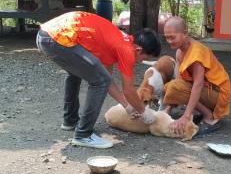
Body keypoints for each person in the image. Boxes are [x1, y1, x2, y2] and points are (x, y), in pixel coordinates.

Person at [36, 11, 161, 149]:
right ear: (138, 49)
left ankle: (70, 121)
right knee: (98, 82)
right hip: (59, 38)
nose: (140, 62)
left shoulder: (116, 40)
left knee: (77, 74)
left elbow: (107, 81)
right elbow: (129, 90)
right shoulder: (126, 50)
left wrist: (128, 106)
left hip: (46, 35)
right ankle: (83, 134)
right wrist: (144, 112)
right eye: (144, 58)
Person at [162, 16, 231, 137]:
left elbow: (198, 84)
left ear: (184, 34)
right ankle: (203, 112)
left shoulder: (197, 52)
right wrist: (167, 110)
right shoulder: (179, 51)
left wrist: (186, 116)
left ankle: (210, 117)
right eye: (166, 38)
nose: (169, 41)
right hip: (206, 91)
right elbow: (179, 82)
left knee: (173, 87)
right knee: (169, 87)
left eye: (172, 37)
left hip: (217, 94)